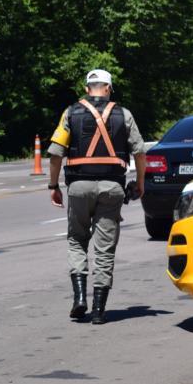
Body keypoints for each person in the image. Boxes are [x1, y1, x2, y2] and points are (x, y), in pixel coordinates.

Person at [47, 69, 146, 324]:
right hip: (112, 188)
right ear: (109, 88)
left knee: (77, 240)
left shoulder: (70, 112)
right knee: (105, 248)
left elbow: (56, 153)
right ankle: (99, 311)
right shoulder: (124, 114)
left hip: (79, 186)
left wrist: (53, 186)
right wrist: (141, 183)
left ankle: (80, 297)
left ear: (87, 88)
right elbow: (140, 152)